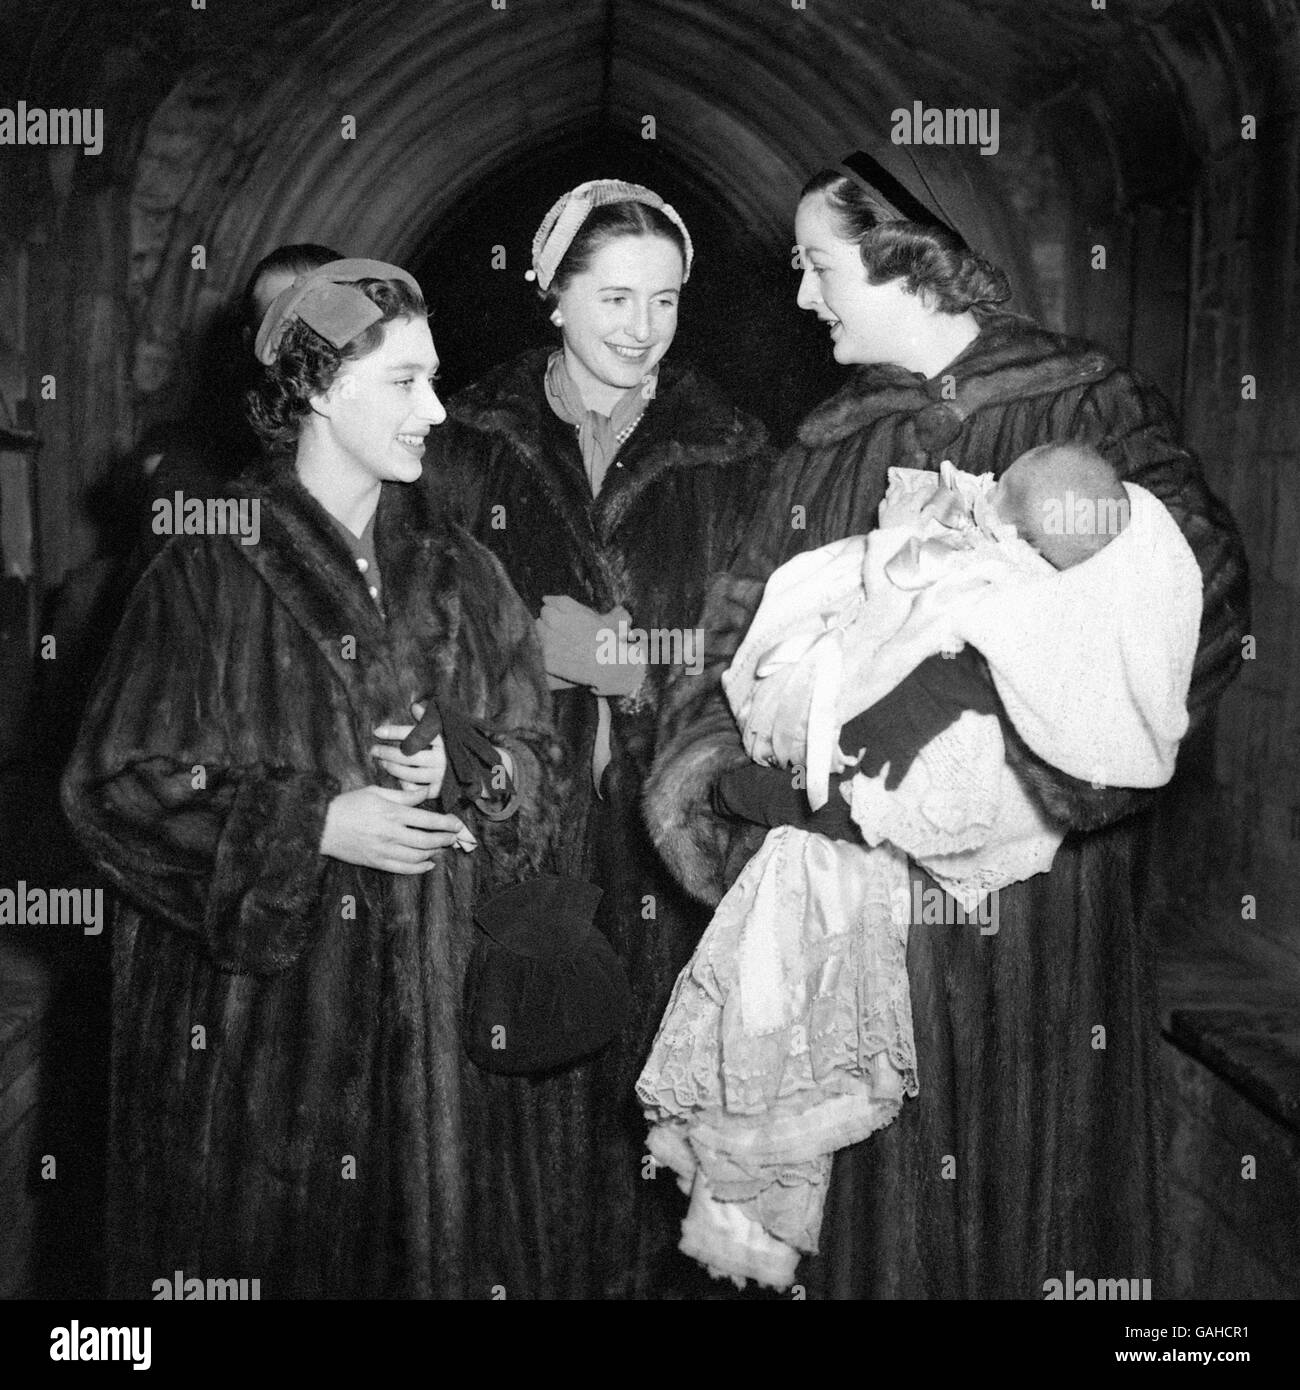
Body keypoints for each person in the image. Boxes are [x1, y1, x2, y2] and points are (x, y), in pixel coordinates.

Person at [644, 151, 1250, 1299]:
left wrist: (1000, 742)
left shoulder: (1083, 407)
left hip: (1030, 921)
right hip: (845, 913)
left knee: (1021, 1212)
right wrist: (734, 778)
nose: (805, 297)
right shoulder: (827, 443)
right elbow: (739, 638)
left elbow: (1193, 609)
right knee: (868, 1215)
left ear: (905, 256)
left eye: (819, 267)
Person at [61, 259, 566, 1298]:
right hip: (257, 1060)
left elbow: (538, 768)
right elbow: (110, 788)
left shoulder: (470, 571)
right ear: (321, 388)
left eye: (436, 380)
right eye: (403, 382)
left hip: (447, 1065)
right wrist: (312, 823)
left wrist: (473, 767)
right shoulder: (208, 567)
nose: (435, 409)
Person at [638, 442, 1205, 1288]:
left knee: (979, 1224)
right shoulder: (837, 454)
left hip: (1000, 958)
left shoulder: (1064, 530)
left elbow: (1116, 671)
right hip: (836, 850)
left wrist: (762, 793)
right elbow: (785, 622)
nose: (803, 297)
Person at [422, 178, 773, 1296]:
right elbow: (405, 634)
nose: (641, 328)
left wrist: (631, 666)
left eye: (663, 300)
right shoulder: (457, 445)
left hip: (674, 838)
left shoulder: (731, 454)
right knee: (507, 1112)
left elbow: (757, 649)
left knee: (655, 1121)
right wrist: (529, 655)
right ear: (553, 298)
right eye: (614, 298)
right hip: (512, 826)